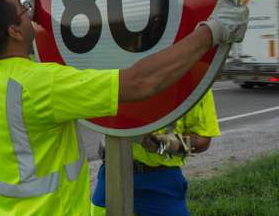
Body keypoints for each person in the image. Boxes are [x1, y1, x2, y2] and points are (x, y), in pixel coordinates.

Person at [0, 0, 247, 215]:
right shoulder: (44, 83)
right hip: (88, 191)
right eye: (23, 10)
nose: (28, 10)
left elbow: (202, 139)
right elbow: (140, 81)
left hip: (160, 184)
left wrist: (162, 144)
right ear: (11, 31)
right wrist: (215, 31)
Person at [91, 90, 220, 216]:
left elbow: (203, 140)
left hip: (159, 180)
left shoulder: (196, 83)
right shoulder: (120, 72)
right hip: (112, 174)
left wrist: (168, 144)